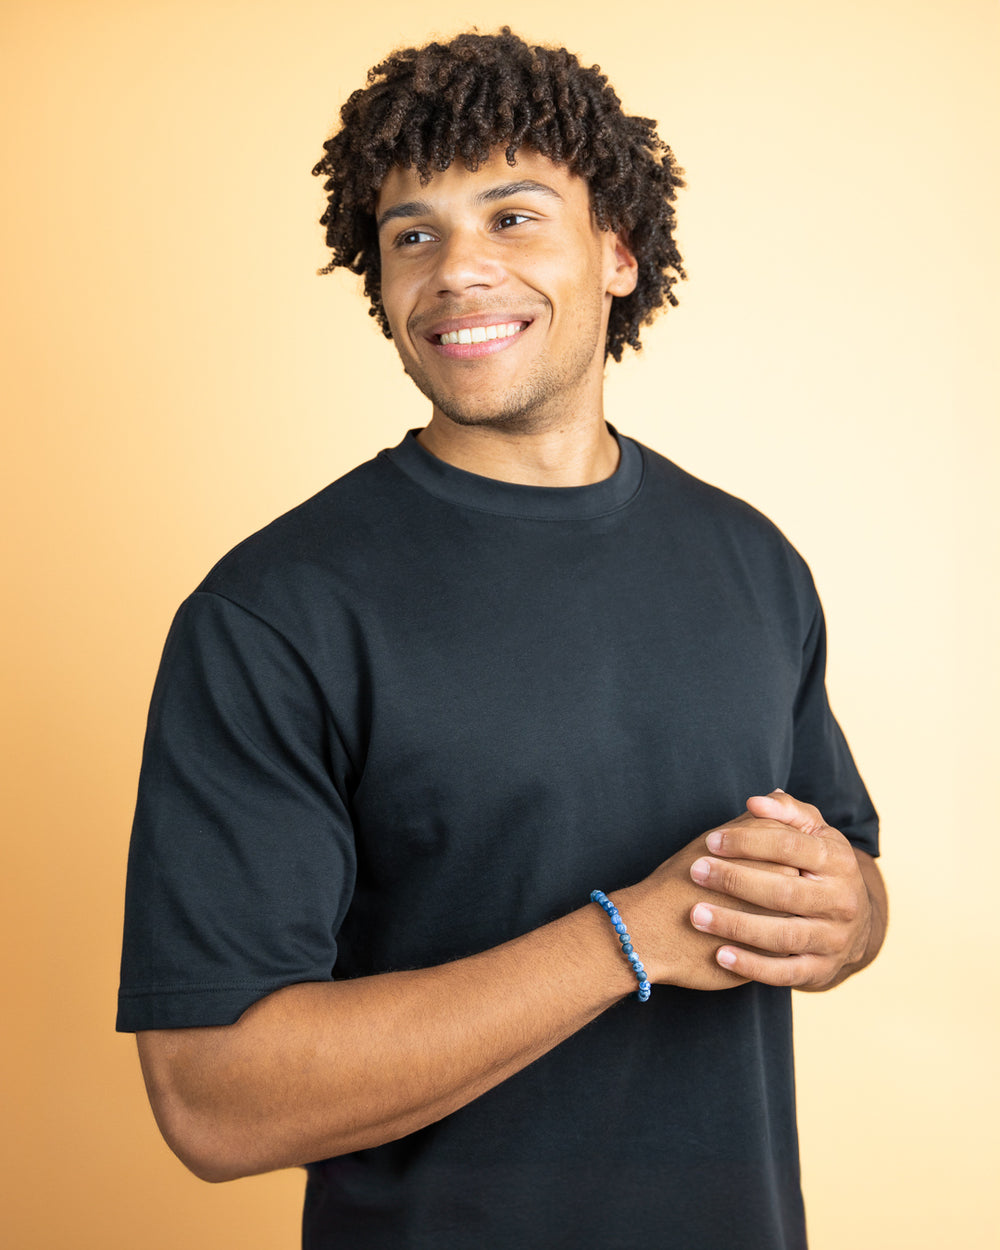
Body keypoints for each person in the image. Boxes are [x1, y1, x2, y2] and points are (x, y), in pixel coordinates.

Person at [118, 28, 886, 1250]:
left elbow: (842, 890)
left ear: (618, 253)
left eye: (513, 217)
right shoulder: (273, 612)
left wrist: (847, 917)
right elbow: (213, 1097)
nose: (456, 269)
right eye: (411, 235)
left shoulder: (753, 562)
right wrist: (622, 938)